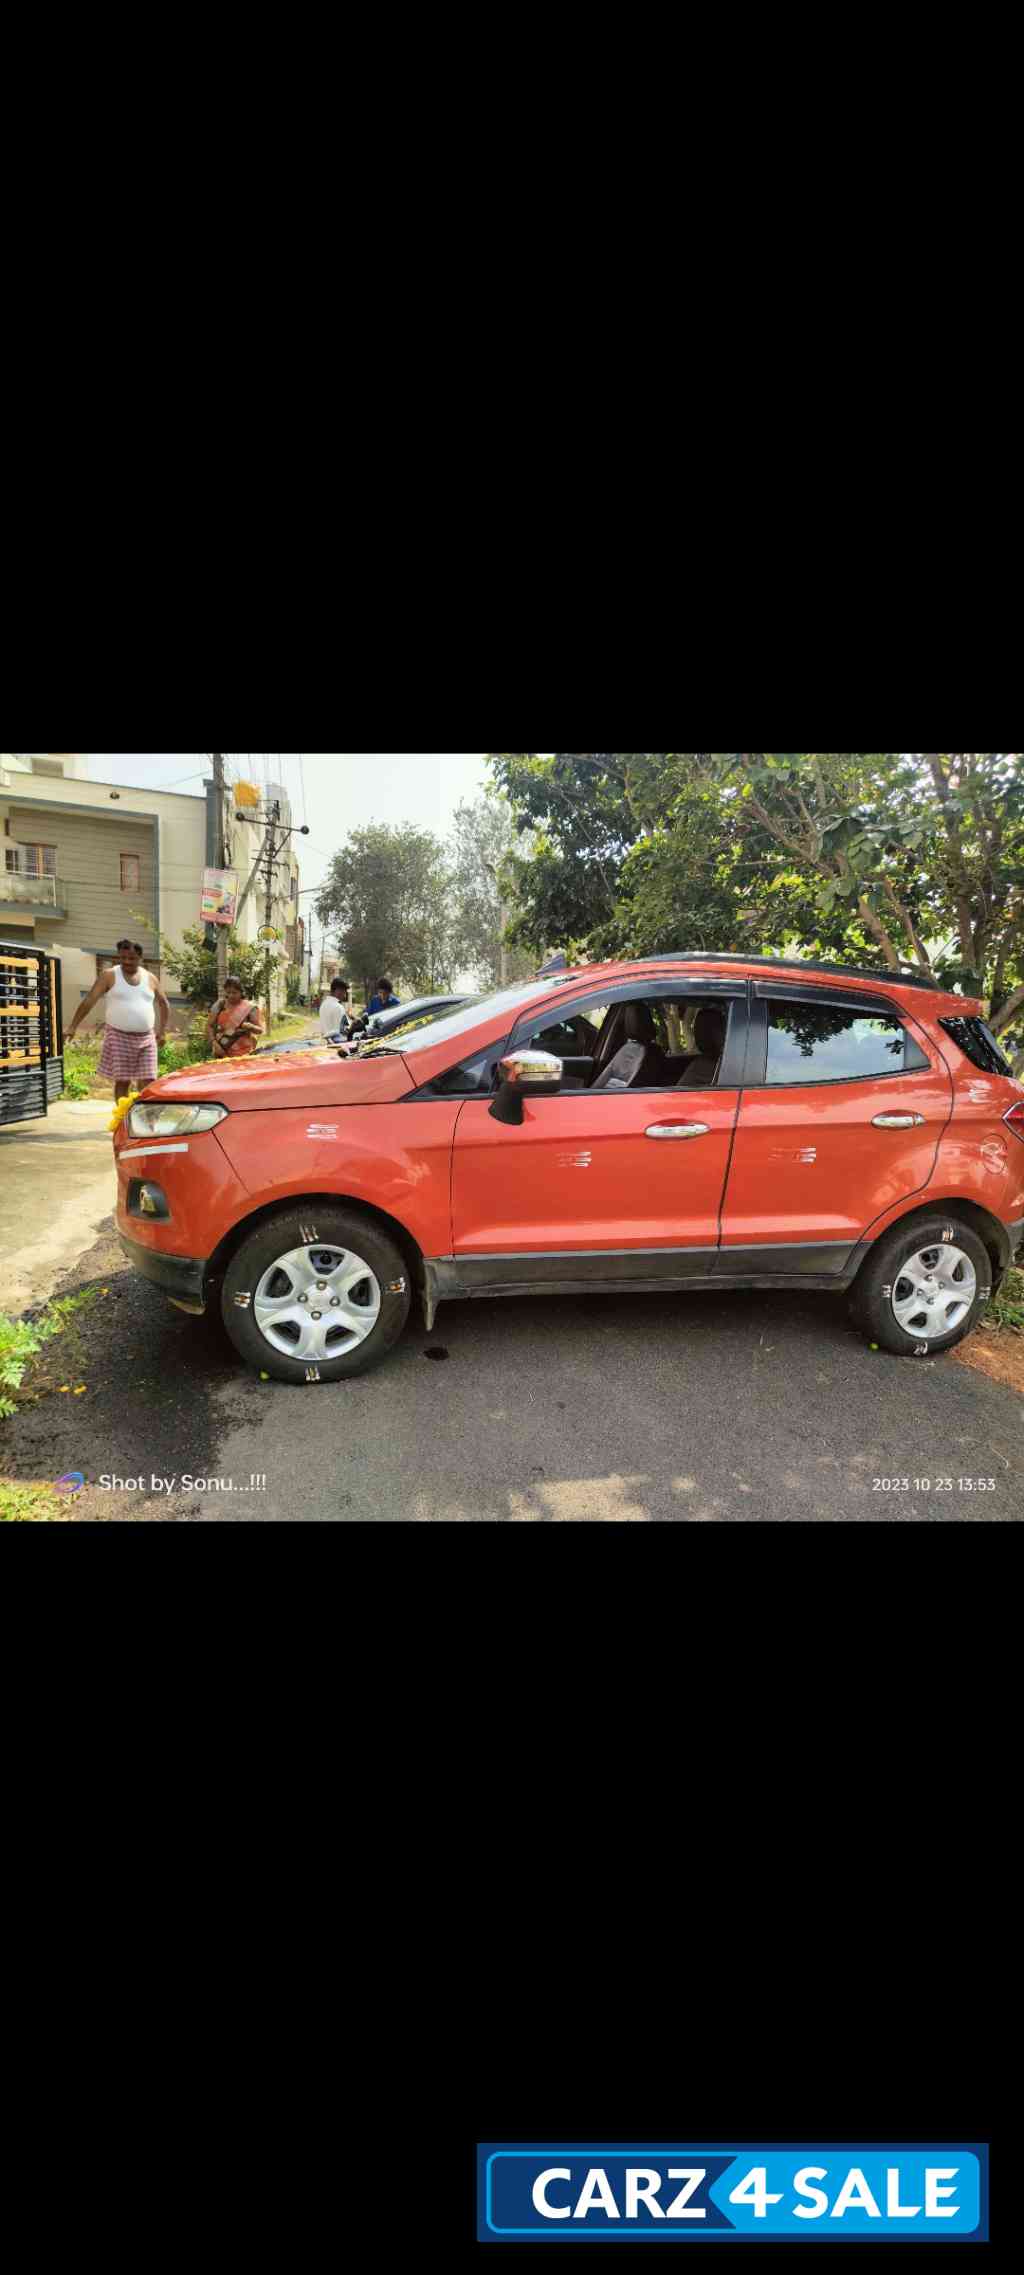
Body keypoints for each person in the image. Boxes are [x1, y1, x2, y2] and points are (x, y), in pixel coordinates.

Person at [64, 938, 168, 1103]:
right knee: (123, 1081)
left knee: (148, 1080)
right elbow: (89, 1000)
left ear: (140, 958)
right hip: (119, 1036)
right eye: (123, 958)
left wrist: (162, 1031)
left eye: (132, 958)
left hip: (146, 1038)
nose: (127, 962)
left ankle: (146, 1119)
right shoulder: (109, 975)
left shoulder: (150, 978)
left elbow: (164, 1004)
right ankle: (123, 1120)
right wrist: (72, 1026)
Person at [206, 976, 265, 1058]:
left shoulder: (249, 1007)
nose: (231, 995)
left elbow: (260, 1030)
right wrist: (215, 1044)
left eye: (234, 992)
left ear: (241, 992)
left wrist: (250, 1026)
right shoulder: (219, 1005)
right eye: (228, 992)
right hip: (221, 1051)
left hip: (244, 1054)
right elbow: (209, 1026)